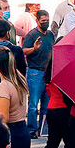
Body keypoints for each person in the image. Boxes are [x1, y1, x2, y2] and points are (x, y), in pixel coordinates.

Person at [23, 9, 55, 138]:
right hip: (35, 72)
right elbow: (24, 50)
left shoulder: (50, 35)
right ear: (37, 21)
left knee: (46, 104)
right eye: (43, 21)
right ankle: (32, 130)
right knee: (33, 104)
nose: (45, 23)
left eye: (47, 21)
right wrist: (34, 49)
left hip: (48, 73)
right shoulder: (32, 35)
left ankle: (43, 129)